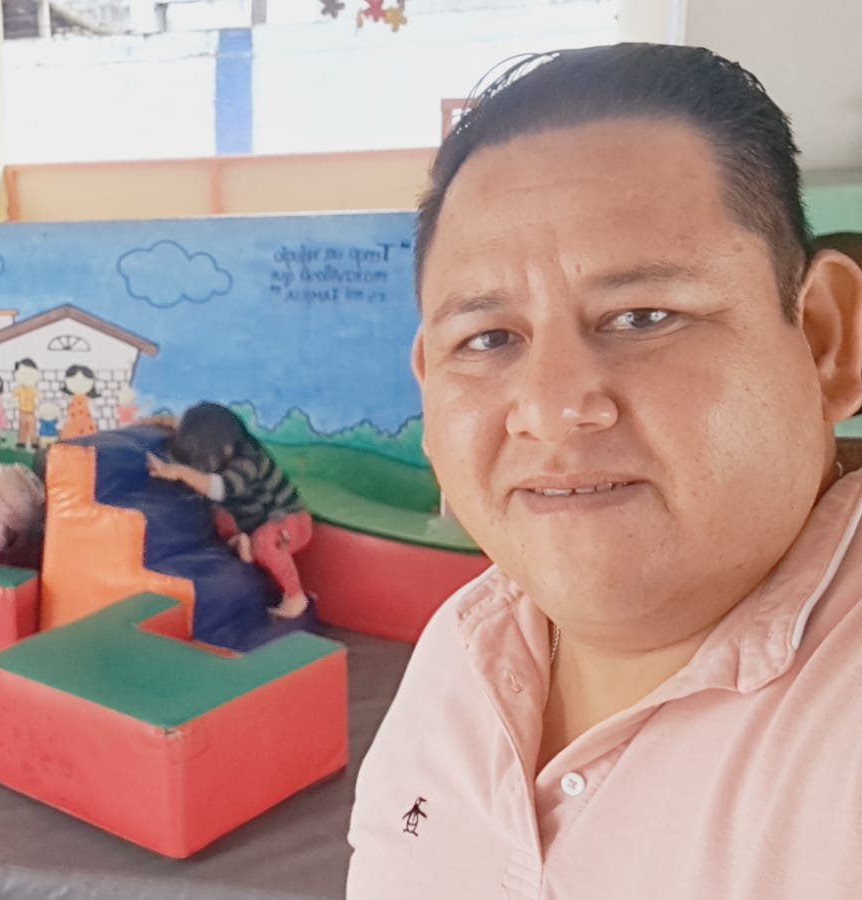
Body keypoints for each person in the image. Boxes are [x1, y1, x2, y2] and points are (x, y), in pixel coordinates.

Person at [346, 44, 862, 899]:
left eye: (642, 316)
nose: (550, 408)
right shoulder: (464, 650)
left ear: (823, 342)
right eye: (488, 339)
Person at [146, 402, 312, 618]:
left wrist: (179, 471)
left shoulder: (249, 460)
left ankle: (296, 597)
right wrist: (151, 422)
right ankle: (241, 543)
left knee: (263, 542)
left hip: (289, 522)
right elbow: (178, 424)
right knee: (220, 514)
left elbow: (221, 489)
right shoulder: (221, 443)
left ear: (225, 446)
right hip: (253, 523)